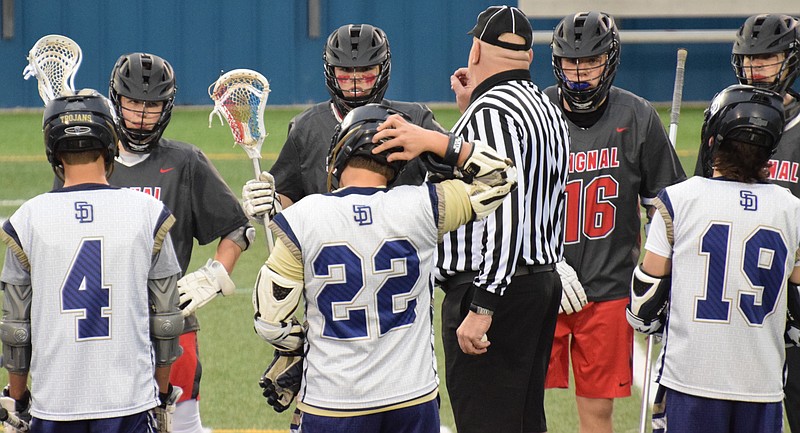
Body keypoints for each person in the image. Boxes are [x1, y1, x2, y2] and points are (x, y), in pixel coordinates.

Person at [251, 103, 517, 432]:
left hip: (334, 400)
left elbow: (270, 321)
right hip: (412, 396)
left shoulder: (302, 217)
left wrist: (300, 349)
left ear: (338, 153)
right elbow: (501, 176)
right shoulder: (422, 206)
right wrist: (436, 141)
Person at [372, 6, 570, 432]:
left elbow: (504, 207)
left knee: (486, 422)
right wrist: (468, 110)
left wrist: (483, 303)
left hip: (495, 286)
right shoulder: (545, 105)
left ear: (476, 49)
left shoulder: (493, 112)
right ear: (529, 58)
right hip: (537, 281)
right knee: (523, 421)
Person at [0, 90, 184, 433]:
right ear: (109, 143)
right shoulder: (148, 213)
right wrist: (160, 392)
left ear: (53, 151)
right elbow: (167, 318)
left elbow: (16, 328)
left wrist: (18, 398)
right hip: (128, 398)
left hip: (54, 402)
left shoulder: (27, 220)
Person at [541, 11, 686, 433]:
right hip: (542, 281)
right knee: (524, 400)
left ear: (611, 59)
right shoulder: (537, 112)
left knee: (597, 410)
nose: (579, 72)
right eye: (570, 61)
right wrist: (546, 260)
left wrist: (658, 276)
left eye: (590, 61)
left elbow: (668, 208)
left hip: (607, 289)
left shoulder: (637, 116)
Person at [628, 84, 800, 433]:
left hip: (690, 378)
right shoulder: (792, 209)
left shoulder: (677, 202)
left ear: (713, 139)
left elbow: (642, 307)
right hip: (762, 384)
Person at [104, 52, 252, 433]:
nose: (140, 114)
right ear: (116, 99)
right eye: (133, 102)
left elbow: (237, 227)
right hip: (103, 323)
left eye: (151, 105)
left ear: (166, 107)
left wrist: (214, 274)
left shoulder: (184, 160)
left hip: (172, 320)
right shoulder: (91, 160)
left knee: (182, 425)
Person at [694, 14, 800, 431]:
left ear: (790, 60)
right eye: (748, 60)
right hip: (737, 302)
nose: (755, 70)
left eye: (767, 59)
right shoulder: (723, 119)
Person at [241, 23, 444, 220]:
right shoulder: (306, 128)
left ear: (383, 70)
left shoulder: (416, 119)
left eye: (367, 71)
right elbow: (289, 194)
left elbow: (452, 176)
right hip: (330, 248)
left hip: (403, 243)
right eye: (345, 72)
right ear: (331, 72)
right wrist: (271, 202)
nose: (356, 82)